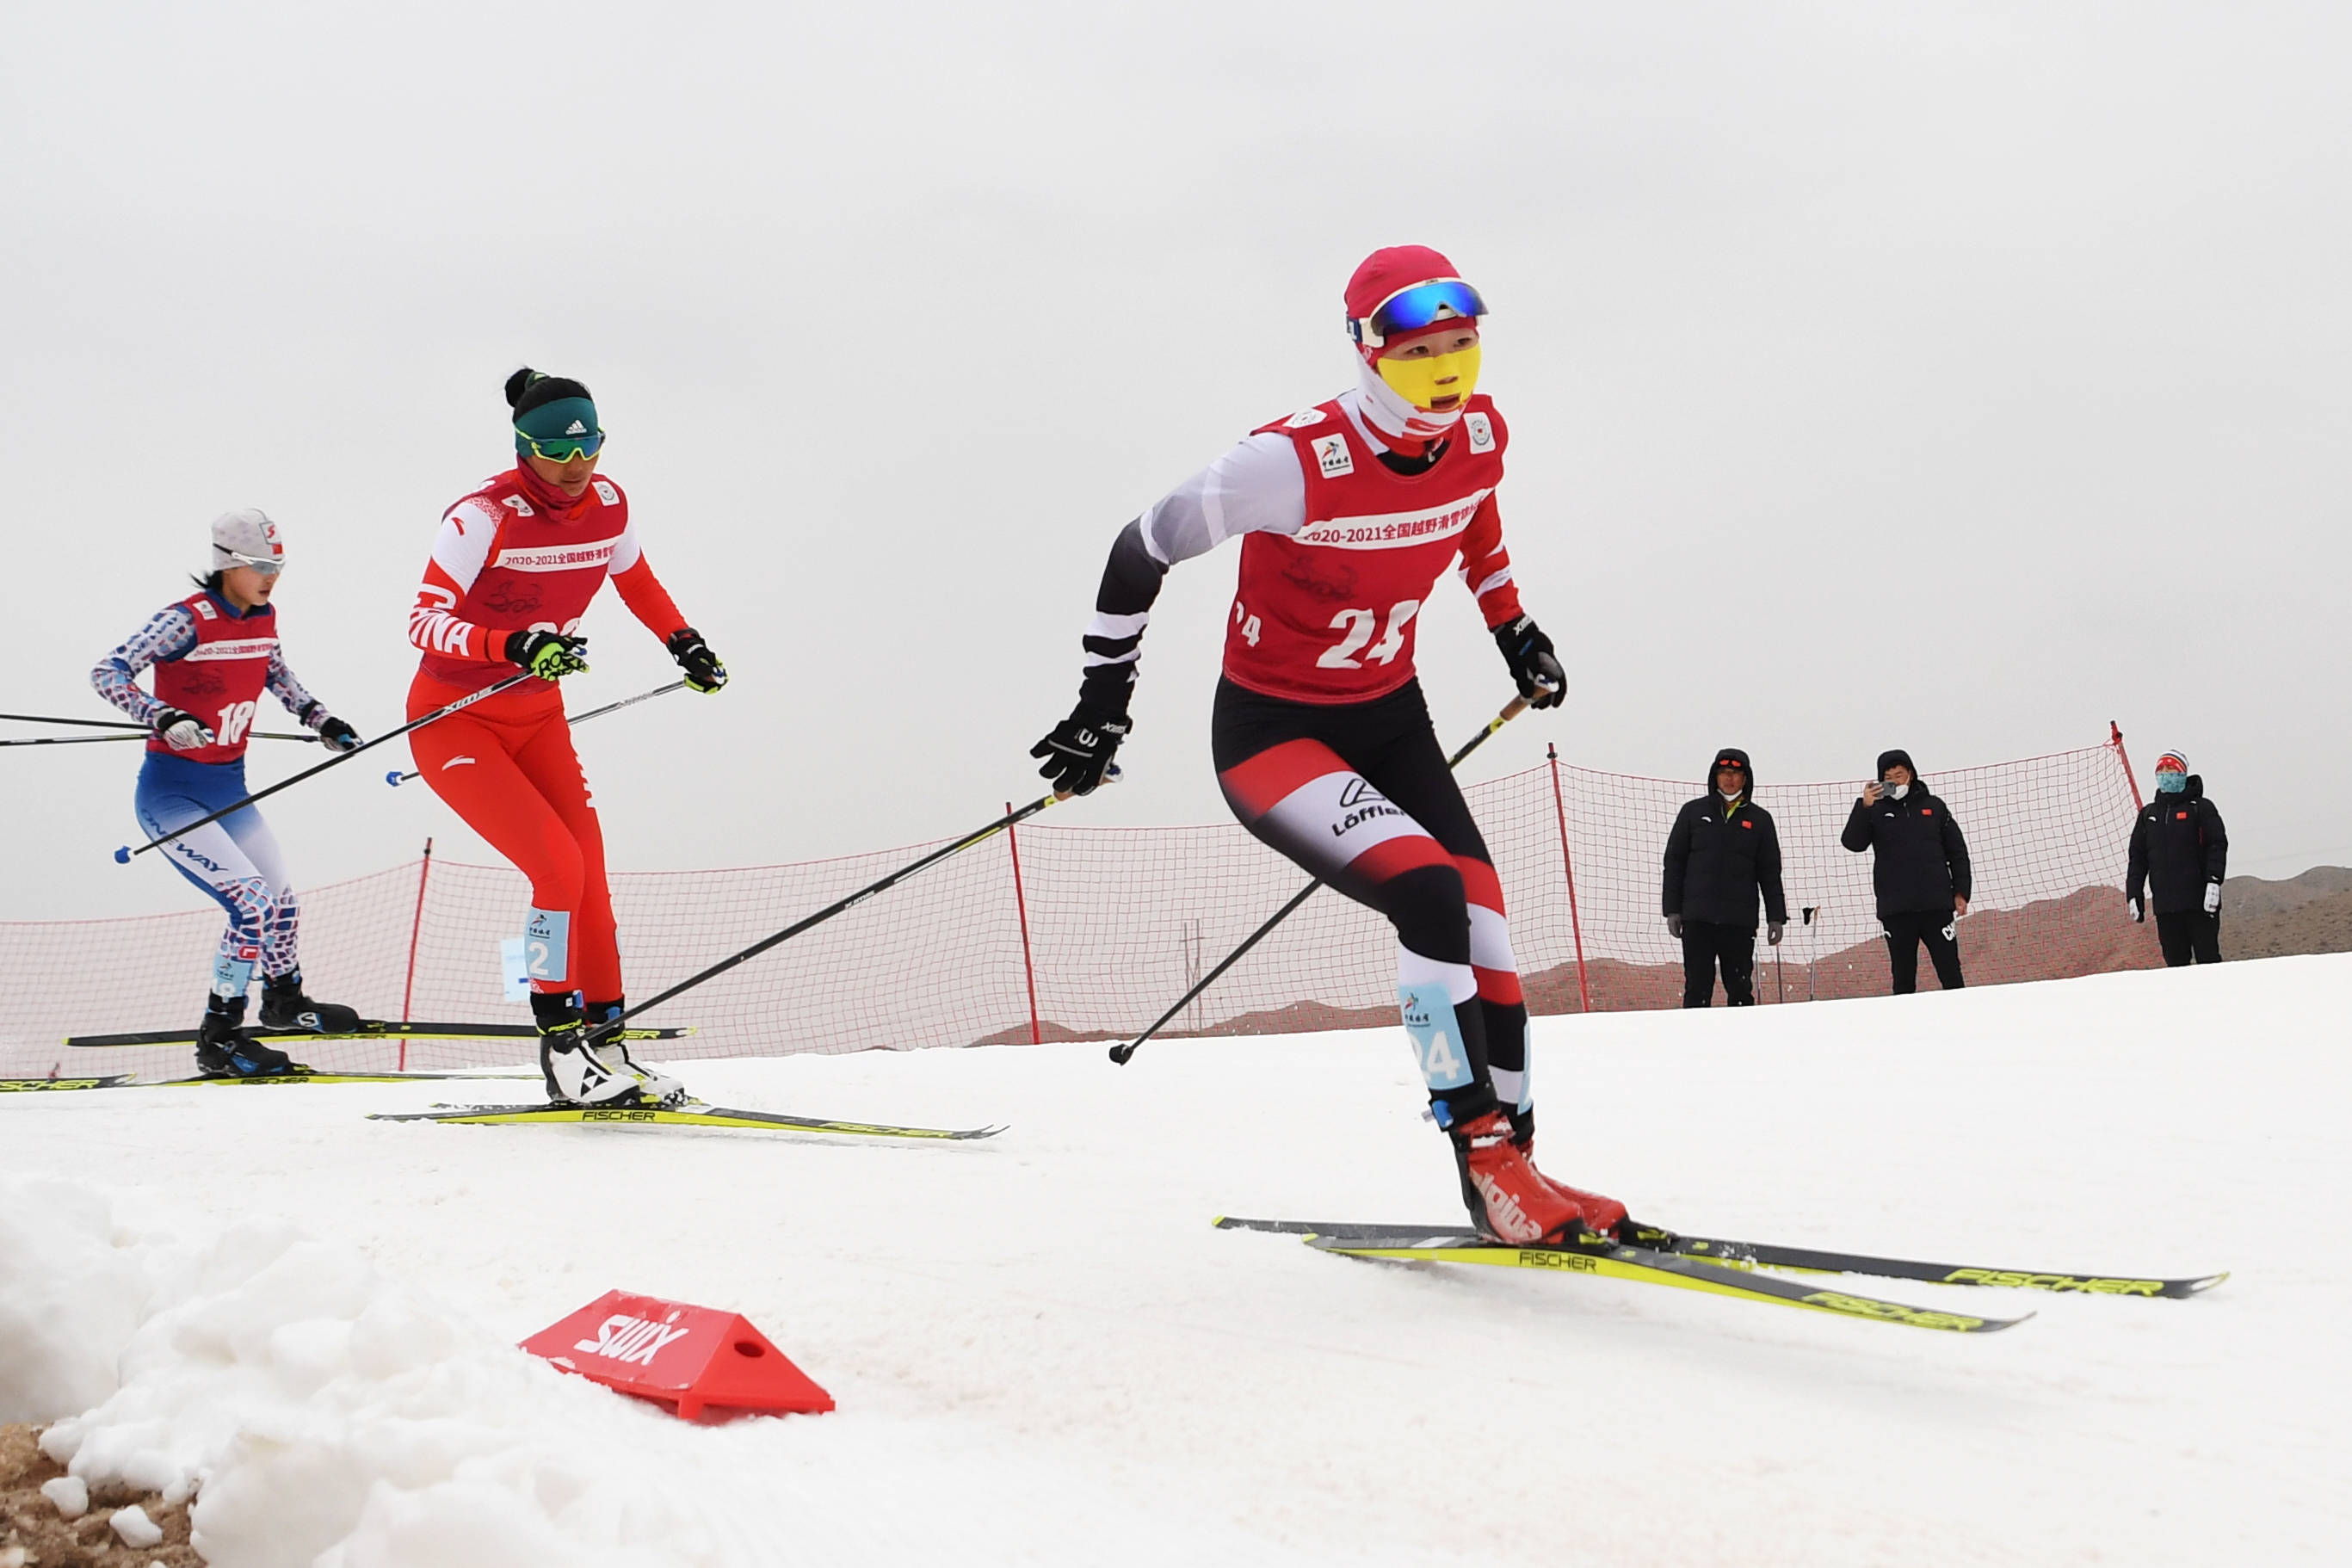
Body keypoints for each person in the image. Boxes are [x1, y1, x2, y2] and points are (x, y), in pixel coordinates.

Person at [1028, 245, 1627, 1246]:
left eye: (1463, 343)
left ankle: (1517, 1163)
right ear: (1367, 354)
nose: (1446, 368)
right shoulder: (1292, 462)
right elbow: (1140, 546)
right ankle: (1480, 1154)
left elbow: (1473, 515)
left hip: (1392, 715)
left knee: (1485, 924)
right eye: (1418, 350)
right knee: (1427, 890)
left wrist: (1514, 628)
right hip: (1277, 732)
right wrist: (1104, 700)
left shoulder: (1480, 433)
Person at [405, 368, 728, 1107]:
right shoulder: (482, 515)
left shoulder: (609, 505)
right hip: (453, 721)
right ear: (523, 446)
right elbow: (422, 622)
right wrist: (513, 645)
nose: (576, 467)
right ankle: (560, 1051)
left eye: (588, 449)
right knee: (554, 869)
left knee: (590, 876)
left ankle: (608, 1045)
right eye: (556, 451)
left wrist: (685, 643)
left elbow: (637, 581)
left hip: (537, 719)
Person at [90, 510, 365, 1077]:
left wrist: (323, 720)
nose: (271, 578)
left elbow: (278, 675)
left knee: (282, 902)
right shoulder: (184, 621)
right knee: (251, 904)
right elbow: (108, 672)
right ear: (227, 563)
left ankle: (284, 1002)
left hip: (228, 790)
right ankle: (220, 1038)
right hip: (172, 796)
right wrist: (161, 715)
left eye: (278, 566)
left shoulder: (263, 618)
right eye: (260, 566)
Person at [1661, 748, 1787, 1007]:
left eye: (1736, 773)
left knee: (1740, 990)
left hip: (1739, 921)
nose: (1729, 779)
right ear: (1714, 776)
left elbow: (1770, 871)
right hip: (1697, 918)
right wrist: (1672, 910)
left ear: (1746, 778)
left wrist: (1776, 916)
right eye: (1724, 773)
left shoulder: (1760, 820)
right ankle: (1695, 1044)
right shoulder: (1693, 813)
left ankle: (1743, 1044)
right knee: (1697, 989)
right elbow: (1674, 863)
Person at [1840, 749, 1971, 993]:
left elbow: (1958, 852)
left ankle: (1961, 1023)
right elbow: (1852, 843)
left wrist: (1961, 893)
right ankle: (1905, 1029)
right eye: (1888, 778)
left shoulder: (1935, 807)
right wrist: (1864, 807)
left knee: (1951, 971)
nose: (1895, 781)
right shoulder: (1875, 810)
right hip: (1896, 909)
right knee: (1903, 977)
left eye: (1899, 775)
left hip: (1937, 906)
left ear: (1910, 774)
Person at [2126, 747, 2226, 966]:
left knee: (2208, 961)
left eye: (2171, 769)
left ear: (2182, 773)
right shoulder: (2148, 815)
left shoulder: (2201, 808)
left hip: (2199, 903)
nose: (2165, 774)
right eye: (2161, 770)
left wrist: (2214, 881)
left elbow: (2217, 845)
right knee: (2175, 967)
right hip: (2166, 907)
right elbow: (2138, 857)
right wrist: (2134, 893)